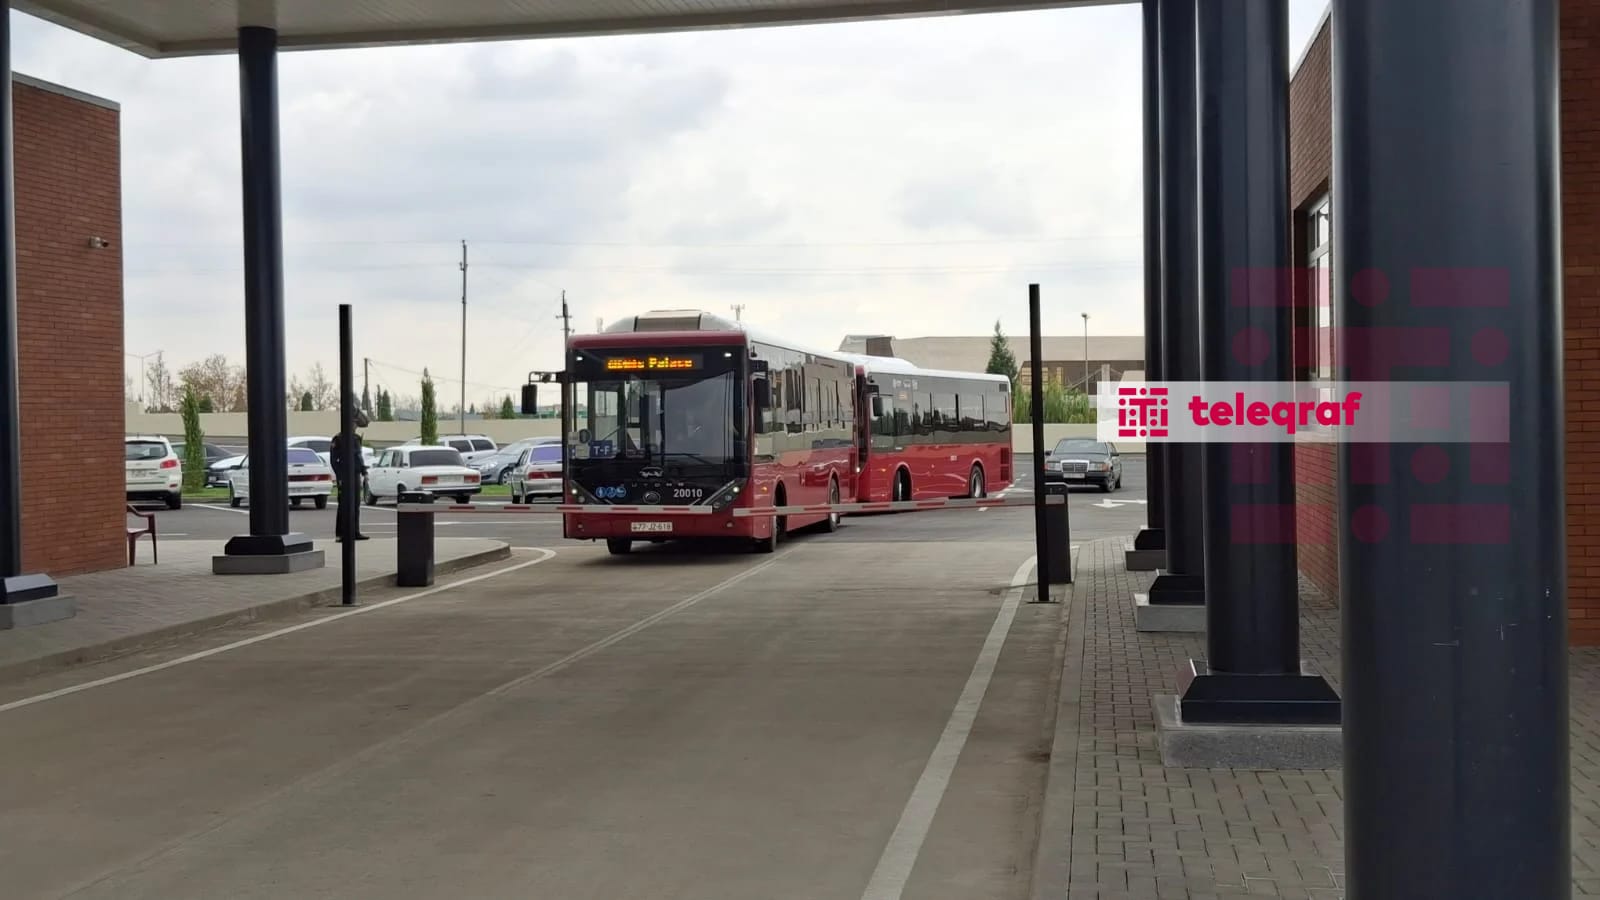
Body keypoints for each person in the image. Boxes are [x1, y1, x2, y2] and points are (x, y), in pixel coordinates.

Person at [331, 410, 371, 542]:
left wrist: (364, 472)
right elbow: (334, 461)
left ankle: (355, 532)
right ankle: (340, 534)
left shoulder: (356, 438)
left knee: (355, 504)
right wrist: (340, 476)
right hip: (344, 475)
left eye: (356, 423)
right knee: (343, 504)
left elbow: (359, 457)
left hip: (355, 475)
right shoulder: (339, 439)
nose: (355, 426)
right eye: (353, 423)